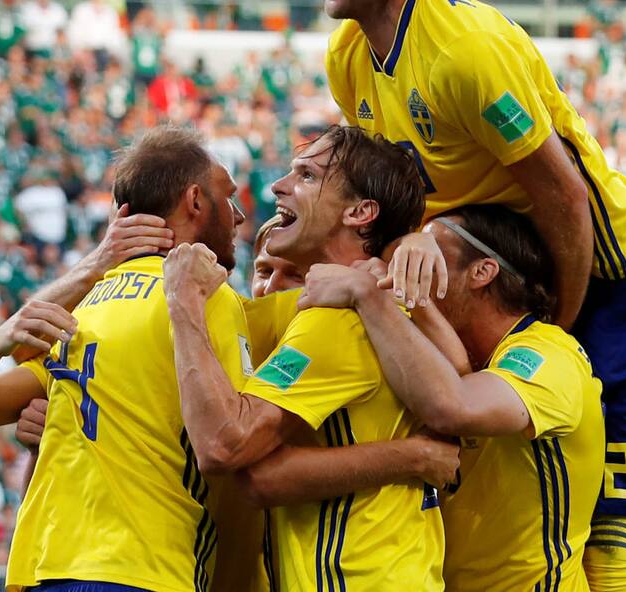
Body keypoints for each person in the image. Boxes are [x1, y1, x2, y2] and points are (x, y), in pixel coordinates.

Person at [317, 0, 626, 587]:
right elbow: (394, 198)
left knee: (615, 523)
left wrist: (560, 324)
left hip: (618, 283)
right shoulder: (347, 61)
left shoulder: (466, 51)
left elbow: (563, 198)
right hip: (512, 284)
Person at [0, 127, 252, 592]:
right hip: (145, 567)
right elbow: (233, 448)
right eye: (229, 196)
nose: (239, 216)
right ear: (195, 201)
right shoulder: (206, 300)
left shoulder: (85, 310)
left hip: (45, 567)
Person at [163, 125, 446, 591]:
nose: (278, 186)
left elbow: (228, 448)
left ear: (360, 212)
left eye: (308, 176)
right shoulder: (343, 303)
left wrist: (184, 300)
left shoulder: (340, 319)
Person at [298, 204, 605, 590]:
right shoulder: (453, 359)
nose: (410, 269)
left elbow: (454, 405)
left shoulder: (550, 354)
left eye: (427, 256)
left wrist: (368, 298)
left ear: (482, 272)